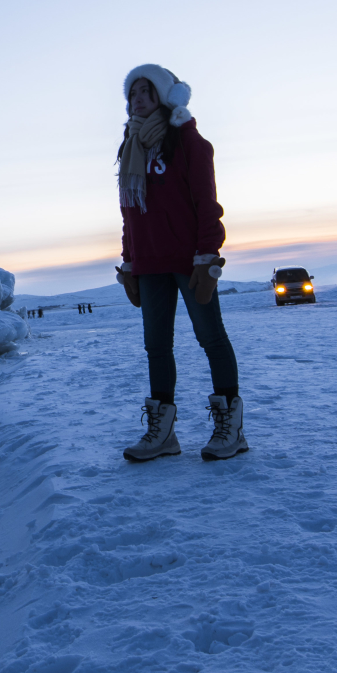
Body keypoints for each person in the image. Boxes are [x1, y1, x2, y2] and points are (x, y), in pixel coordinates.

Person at [113, 65, 245, 462]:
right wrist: (129, 261)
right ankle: (163, 434)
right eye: (133, 92)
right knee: (156, 346)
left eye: (146, 92)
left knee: (211, 338)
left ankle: (230, 428)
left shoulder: (190, 143)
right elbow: (129, 213)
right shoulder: (129, 146)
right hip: (150, 263)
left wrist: (208, 256)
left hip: (190, 261)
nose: (138, 98)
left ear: (166, 97)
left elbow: (207, 204)